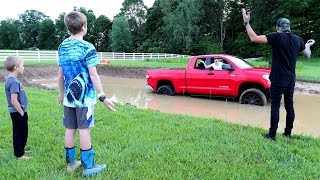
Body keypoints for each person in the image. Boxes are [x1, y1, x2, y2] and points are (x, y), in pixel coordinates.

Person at [242, 8, 315, 141]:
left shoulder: (276, 36)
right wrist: (309, 45)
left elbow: (254, 38)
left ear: (278, 28)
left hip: (277, 78)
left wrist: (246, 23)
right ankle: (288, 133)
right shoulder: (298, 39)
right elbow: (307, 55)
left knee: (275, 105)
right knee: (289, 105)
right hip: (290, 79)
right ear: (289, 28)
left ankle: (272, 135)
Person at [57, 11, 116, 176]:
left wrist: (61, 94)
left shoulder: (62, 46)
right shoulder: (88, 47)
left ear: (69, 27)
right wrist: (102, 96)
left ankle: (71, 164)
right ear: (84, 27)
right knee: (84, 130)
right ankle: (89, 166)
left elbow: (60, 75)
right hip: (85, 99)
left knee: (70, 129)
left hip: (69, 98)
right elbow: (93, 75)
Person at [4, 56, 30, 160]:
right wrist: (21, 112)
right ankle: (19, 154)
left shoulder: (11, 79)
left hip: (18, 111)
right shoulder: (14, 82)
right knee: (19, 132)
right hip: (18, 112)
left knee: (23, 131)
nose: (24, 68)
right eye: (22, 66)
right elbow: (14, 100)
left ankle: (21, 148)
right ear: (16, 67)